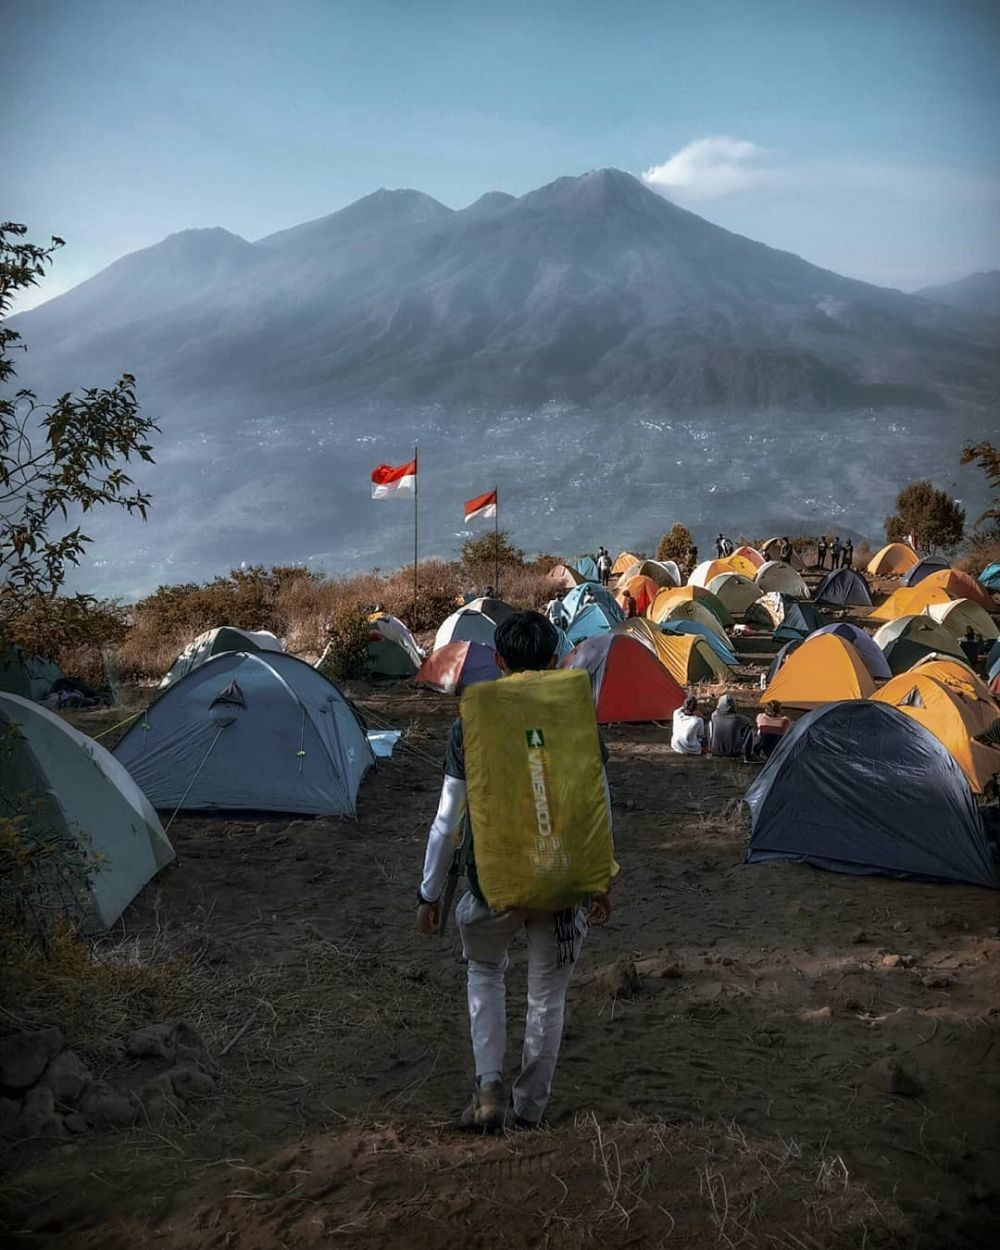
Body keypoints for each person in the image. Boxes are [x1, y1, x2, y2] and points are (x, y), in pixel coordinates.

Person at [416, 612, 613, 1132]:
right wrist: (601, 878)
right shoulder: (578, 719)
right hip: (563, 878)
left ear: (499, 662)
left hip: (491, 879)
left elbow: (447, 818)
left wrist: (429, 893)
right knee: (547, 995)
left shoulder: (472, 722)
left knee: (484, 973)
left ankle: (488, 1090)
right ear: (554, 661)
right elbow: (598, 806)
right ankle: (528, 1112)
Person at [708, 694, 753, 758]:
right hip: (733, 752)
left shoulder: (714, 716)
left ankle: (710, 748)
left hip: (715, 750)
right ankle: (749, 755)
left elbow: (716, 711)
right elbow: (749, 721)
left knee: (710, 724)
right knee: (750, 728)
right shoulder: (738, 719)